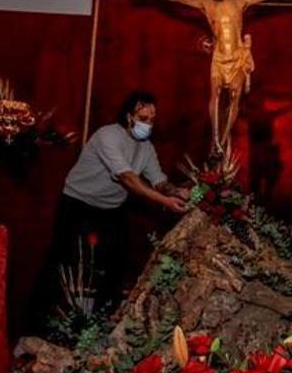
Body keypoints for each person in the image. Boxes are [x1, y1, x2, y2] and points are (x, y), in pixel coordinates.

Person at [28, 91, 187, 327]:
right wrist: (164, 202)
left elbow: (158, 180)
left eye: (152, 119)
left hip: (110, 209)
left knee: (116, 263)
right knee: (62, 259)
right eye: (144, 118)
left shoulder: (146, 148)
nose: (148, 124)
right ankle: (36, 321)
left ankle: (100, 324)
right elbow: (127, 179)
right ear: (129, 116)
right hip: (77, 202)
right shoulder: (108, 136)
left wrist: (176, 191)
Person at [136, 0, 292, 155]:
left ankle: (223, 139)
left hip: (237, 59)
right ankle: (215, 139)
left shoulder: (240, 2)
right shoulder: (206, 4)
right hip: (219, 58)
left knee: (235, 97)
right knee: (216, 94)